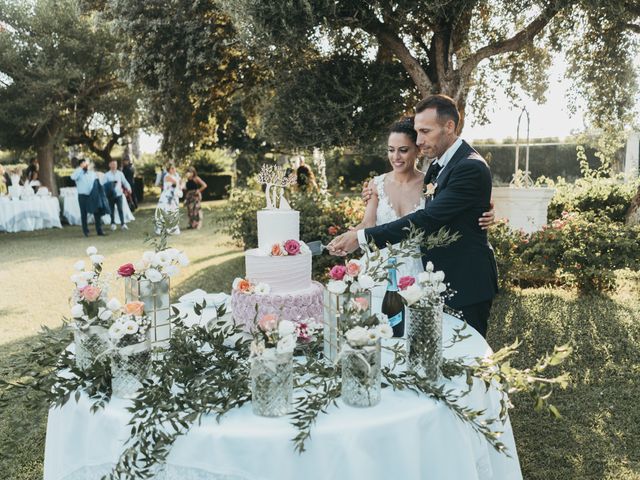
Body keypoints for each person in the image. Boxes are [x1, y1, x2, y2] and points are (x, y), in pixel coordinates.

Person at [328, 95, 499, 338]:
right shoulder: (440, 166)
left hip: (464, 282)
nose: (420, 141)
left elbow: (428, 218)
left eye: (425, 132)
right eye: (417, 132)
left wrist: (363, 237)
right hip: (435, 278)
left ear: (449, 127)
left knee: (467, 354)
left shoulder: (469, 166)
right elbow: (449, 203)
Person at [351, 116, 494, 298]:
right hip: (380, 267)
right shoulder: (376, 184)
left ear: (417, 150)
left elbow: (451, 208)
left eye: (403, 150)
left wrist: (487, 210)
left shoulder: (432, 182)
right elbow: (368, 223)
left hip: (421, 267)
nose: (396, 157)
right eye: (391, 150)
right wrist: (351, 236)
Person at [71, 158, 105, 237]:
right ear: (81, 164)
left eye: (86, 163)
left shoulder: (92, 173)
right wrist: (80, 169)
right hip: (82, 195)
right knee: (84, 213)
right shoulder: (78, 172)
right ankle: (85, 231)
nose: (86, 165)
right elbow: (73, 177)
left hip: (92, 195)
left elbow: (97, 181)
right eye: (84, 163)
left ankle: (99, 230)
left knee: (96, 212)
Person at [102, 159, 132, 231]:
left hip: (119, 194)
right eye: (112, 164)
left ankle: (123, 224)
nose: (114, 166)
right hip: (111, 195)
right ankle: (113, 223)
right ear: (110, 165)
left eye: (115, 164)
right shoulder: (106, 175)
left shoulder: (120, 173)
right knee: (111, 209)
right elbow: (104, 185)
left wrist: (129, 188)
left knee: (120, 209)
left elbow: (124, 182)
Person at [156, 163, 181, 235]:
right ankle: (164, 229)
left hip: (173, 196)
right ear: (168, 170)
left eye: (174, 168)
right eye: (172, 168)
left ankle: (173, 228)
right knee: (166, 211)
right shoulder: (167, 176)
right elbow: (176, 182)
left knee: (173, 211)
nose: (174, 170)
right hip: (167, 196)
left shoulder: (175, 176)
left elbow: (179, 183)